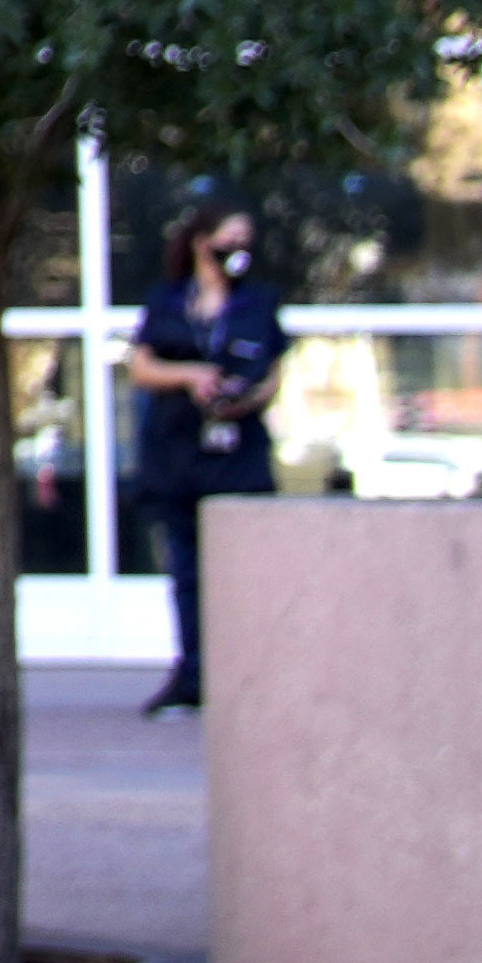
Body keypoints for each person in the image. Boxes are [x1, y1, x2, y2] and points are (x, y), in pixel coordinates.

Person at [120, 198, 286, 714]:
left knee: (241, 572)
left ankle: (248, 672)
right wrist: (192, 377)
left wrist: (242, 399)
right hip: (177, 456)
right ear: (200, 243)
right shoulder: (168, 300)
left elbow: (272, 373)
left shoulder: (258, 302)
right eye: (226, 242)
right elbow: (141, 367)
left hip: (236, 459)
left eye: (244, 244)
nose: (236, 253)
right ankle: (193, 674)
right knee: (187, 572)